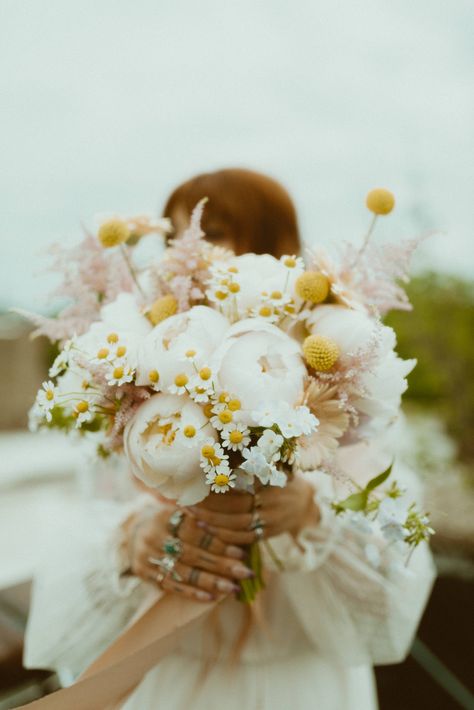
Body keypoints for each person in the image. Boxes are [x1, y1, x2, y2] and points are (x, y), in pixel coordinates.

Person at [24, 168, 435, 709]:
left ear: (272, 245)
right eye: (171, 237)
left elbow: (395, 562)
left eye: (210, 232)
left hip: (300, 684)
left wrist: (312, 516)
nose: (181, 253)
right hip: (171, 680)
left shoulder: (339, 368)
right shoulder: (141, 376)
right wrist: (134, 544)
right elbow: (86, 519)